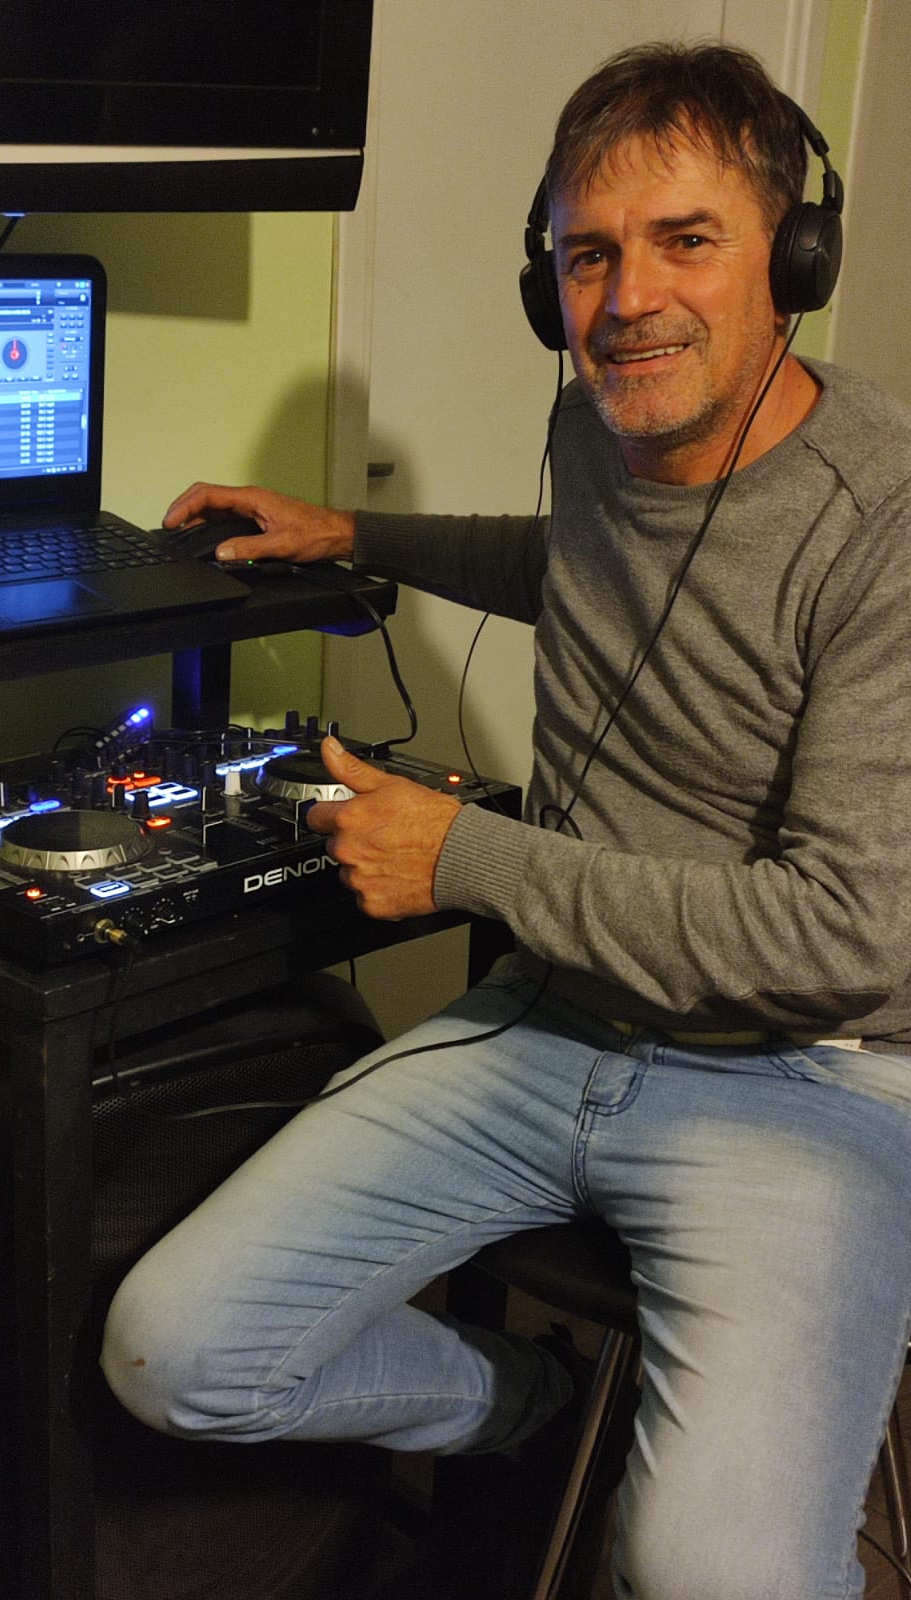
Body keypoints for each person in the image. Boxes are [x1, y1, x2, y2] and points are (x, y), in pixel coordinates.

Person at [103, 40, 911, 1599]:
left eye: (688, 241)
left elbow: (847, 930)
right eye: (587, 257)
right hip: (551, 1028)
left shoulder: (885, 524)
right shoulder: (595, 430)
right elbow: (582, 570)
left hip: (808, 1082)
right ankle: (533, 1412)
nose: (628, 301)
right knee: (176, 1349)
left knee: (707, 1574)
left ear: (791, 257)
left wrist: (463, 854)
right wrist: (358, 534)